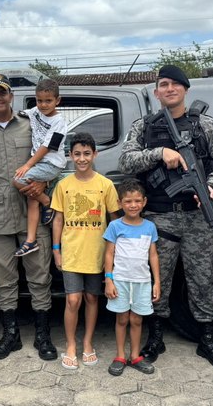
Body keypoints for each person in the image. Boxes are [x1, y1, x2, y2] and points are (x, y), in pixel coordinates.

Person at [118, 64, 213, 368]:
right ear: (157, 92)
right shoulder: (144, 127)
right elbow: (126, 160)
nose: (169, 89)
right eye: (163, 84)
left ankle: (207, 339)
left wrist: (211, 186)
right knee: (158, 280)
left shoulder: (204, 125)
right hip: (159, 217)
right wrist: (160, 154)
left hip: (198, 216)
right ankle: (156, 337)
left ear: (185, 89)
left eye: (175, 84)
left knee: (203, 279)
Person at [0, 72, 57, 361]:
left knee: (39, 276)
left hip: (31, 211)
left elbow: (52, 156)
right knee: (4, 279)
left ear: (11, 96)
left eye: (2, 92)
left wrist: (44, 184)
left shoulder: (32, 125)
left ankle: (43, 336)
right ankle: (11, 335)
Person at [50, 132, 120, 370]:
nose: (82, 159)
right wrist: (56, 249)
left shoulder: (105, 185)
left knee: (92, 298)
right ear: (70, 156)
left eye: (87, 153)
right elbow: (58, 220)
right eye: (77, 154)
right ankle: (70, 345)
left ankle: (88, 343)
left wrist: (112, 252)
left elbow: (114, 220)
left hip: (97, 253)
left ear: (95, 154)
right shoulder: (63, 185)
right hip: (71, 253)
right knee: (73, 299)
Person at [103, 179, 160, 377]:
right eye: (128, 201)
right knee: (122, 319)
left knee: (136, 320)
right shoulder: (115, 226)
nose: (133, 205)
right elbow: (109, 254)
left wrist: (157, 282)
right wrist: (108, 279)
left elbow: (153, 255)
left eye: (137, 201)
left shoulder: (150, 227)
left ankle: (135, 356)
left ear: (144, 202)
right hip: (120, 281)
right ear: (120, 203)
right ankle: (120, 356)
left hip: (142, 282)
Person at [12, 78, 67, 257]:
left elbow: (48, 147)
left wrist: (28, 164)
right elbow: (20, 114)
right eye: (39, 100)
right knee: (31, 198)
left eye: (48, 101)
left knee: (19, 180)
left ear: (57, 101)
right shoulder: (36, 111)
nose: (43, 105)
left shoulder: (59, 122)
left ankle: (47, 202)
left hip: (50, 164)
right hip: (39, 162)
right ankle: (30, 241)